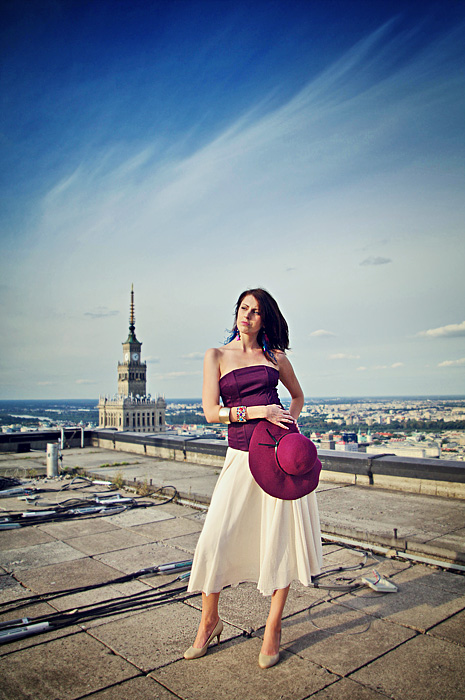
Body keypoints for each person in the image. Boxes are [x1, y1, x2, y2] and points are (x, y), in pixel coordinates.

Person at [184, 288, 322, 668]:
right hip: (240, 457)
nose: (247, 316)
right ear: (236, 313)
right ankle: (209, 620)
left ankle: (273, 626)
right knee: (215, 538)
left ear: (265, 319)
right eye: (244, 309)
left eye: (256, 312)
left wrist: (289, 424)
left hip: (277, 458)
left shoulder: (275, 357)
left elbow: (297, 397)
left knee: (279, 543)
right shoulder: (216, 356)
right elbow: (212, 413)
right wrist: (259, 410)